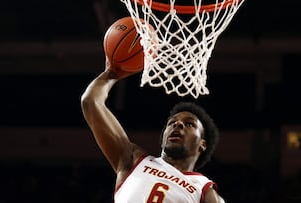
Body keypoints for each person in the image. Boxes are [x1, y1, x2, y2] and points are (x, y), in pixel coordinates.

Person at [80, 63, 225, 202]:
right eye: (171, 123)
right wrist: (111, 73)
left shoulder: (203, 190)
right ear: (163, 138)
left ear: (202, 144)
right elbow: (91, 102)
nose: (178, 124)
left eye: (189, 124)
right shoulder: (133, 160)